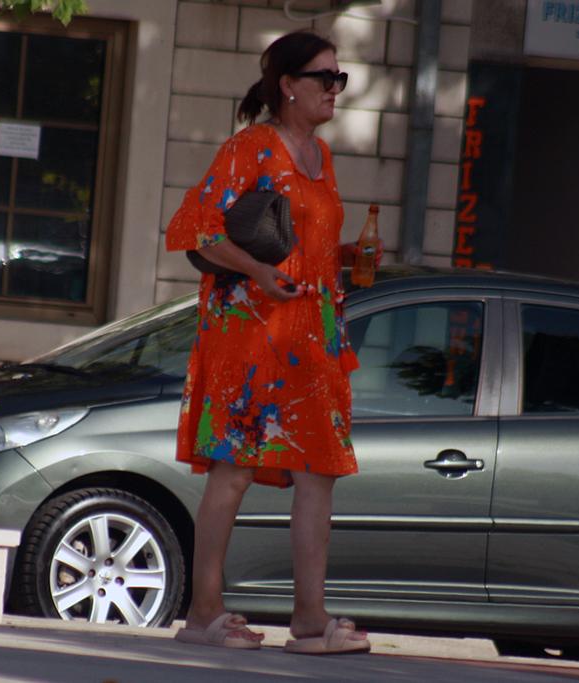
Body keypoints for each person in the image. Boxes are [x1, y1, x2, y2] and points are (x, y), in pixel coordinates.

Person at [165, 30, 382, 654]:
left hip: (313, 338)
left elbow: (303, 244)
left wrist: (344, 255)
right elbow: (195, 231)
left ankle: (310, 622)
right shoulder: (251, 147)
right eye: (325, 78)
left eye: (340, 79)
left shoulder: (322, 156)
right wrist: (257, 271)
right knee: (233, 470)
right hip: (250, 335)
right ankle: (204, 613)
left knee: (319, 473)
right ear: (288, 85)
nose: (335, 89)